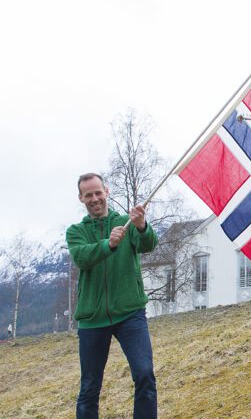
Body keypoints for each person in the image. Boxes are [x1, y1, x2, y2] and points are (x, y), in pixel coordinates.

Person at [66, 173, 159, 418]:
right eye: (89, 195)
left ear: (106, 191)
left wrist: (141, 226)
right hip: (92, 318)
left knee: (145, 375)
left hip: (130, 313)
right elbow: (82, 257)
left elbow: (149, 244)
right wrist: (109, 244)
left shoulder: (124, 222)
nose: (94, 198)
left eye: (98, 192)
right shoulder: (75, 232)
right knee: (89, 387)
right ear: (81, 198)